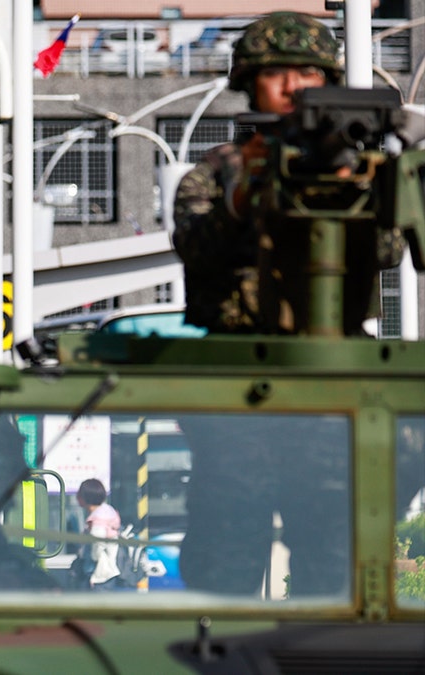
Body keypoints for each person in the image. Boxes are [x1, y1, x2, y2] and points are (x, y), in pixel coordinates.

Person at [172, 13, 352, 598]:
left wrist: (351, 183)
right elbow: (196, 249)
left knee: (336, 566)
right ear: (250, 83)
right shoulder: (215, 171)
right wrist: (242, 196)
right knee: (225, 561)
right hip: (235, 386)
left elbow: (390, 247)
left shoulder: (352, 165)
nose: (295, 86)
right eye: (278, 74)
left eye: (308, 72)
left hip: (328, 389)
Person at [72, 478, 121, 591]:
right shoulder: (107, 511)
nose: (77, 497)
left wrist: (93, 557)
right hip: (107, 573)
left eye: (79, 494)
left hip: (99, 575)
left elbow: (97, 545)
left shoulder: (99, 519)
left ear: (85, 497)